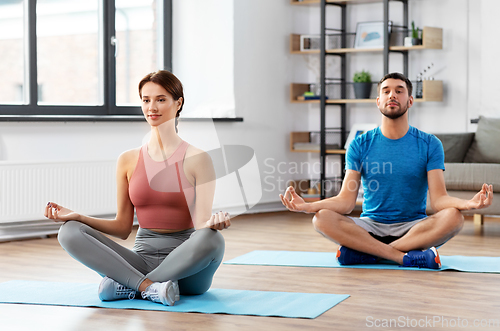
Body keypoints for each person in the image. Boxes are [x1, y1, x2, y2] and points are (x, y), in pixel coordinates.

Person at [44, 70, 230, 306]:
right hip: (138, 261)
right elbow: (122, 227)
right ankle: (149, 288)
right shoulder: (128, 159)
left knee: (213, 239)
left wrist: (215, 223)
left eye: (161, 99)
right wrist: (78, 217)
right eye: (146, 100)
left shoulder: (198, 158)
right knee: (69, 231)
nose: (152, 107)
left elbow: (202, 222)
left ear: (178, 103)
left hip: (187, 271)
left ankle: (131, 286)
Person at [280, 72, 493, 269]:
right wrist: (308, 206)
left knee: (454, 218)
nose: (392, 95)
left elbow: (438, 200)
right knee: (321, 218)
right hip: (370, 226)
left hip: (414, 228)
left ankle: (369, 253)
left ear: (410, 101)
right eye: (386, 91)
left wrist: (467, 204)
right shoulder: (359, 145)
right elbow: (345, 202)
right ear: (378, 101)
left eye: (399, 91)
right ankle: (401, 257)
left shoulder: (430, 144)